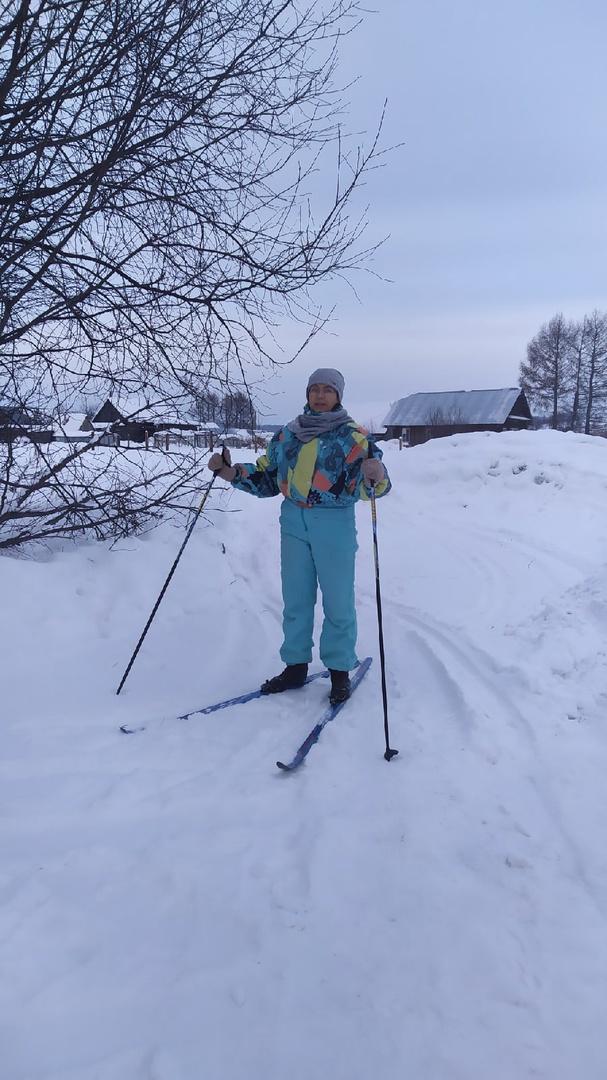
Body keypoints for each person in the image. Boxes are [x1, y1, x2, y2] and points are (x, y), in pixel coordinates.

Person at [208, 368, 391, 705]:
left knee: (337, 601)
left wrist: (376, 474)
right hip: (293, 521)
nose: (320, 396)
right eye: (314, 389)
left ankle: (338, 672)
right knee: (296, 598)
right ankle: (295, 667)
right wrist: (230, 472)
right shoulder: (287, 436)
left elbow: (375, 485)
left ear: (339, 396)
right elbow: (266, 477)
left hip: (333, 523)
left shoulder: (354, 437)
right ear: (307, 394)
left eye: (328, 390)